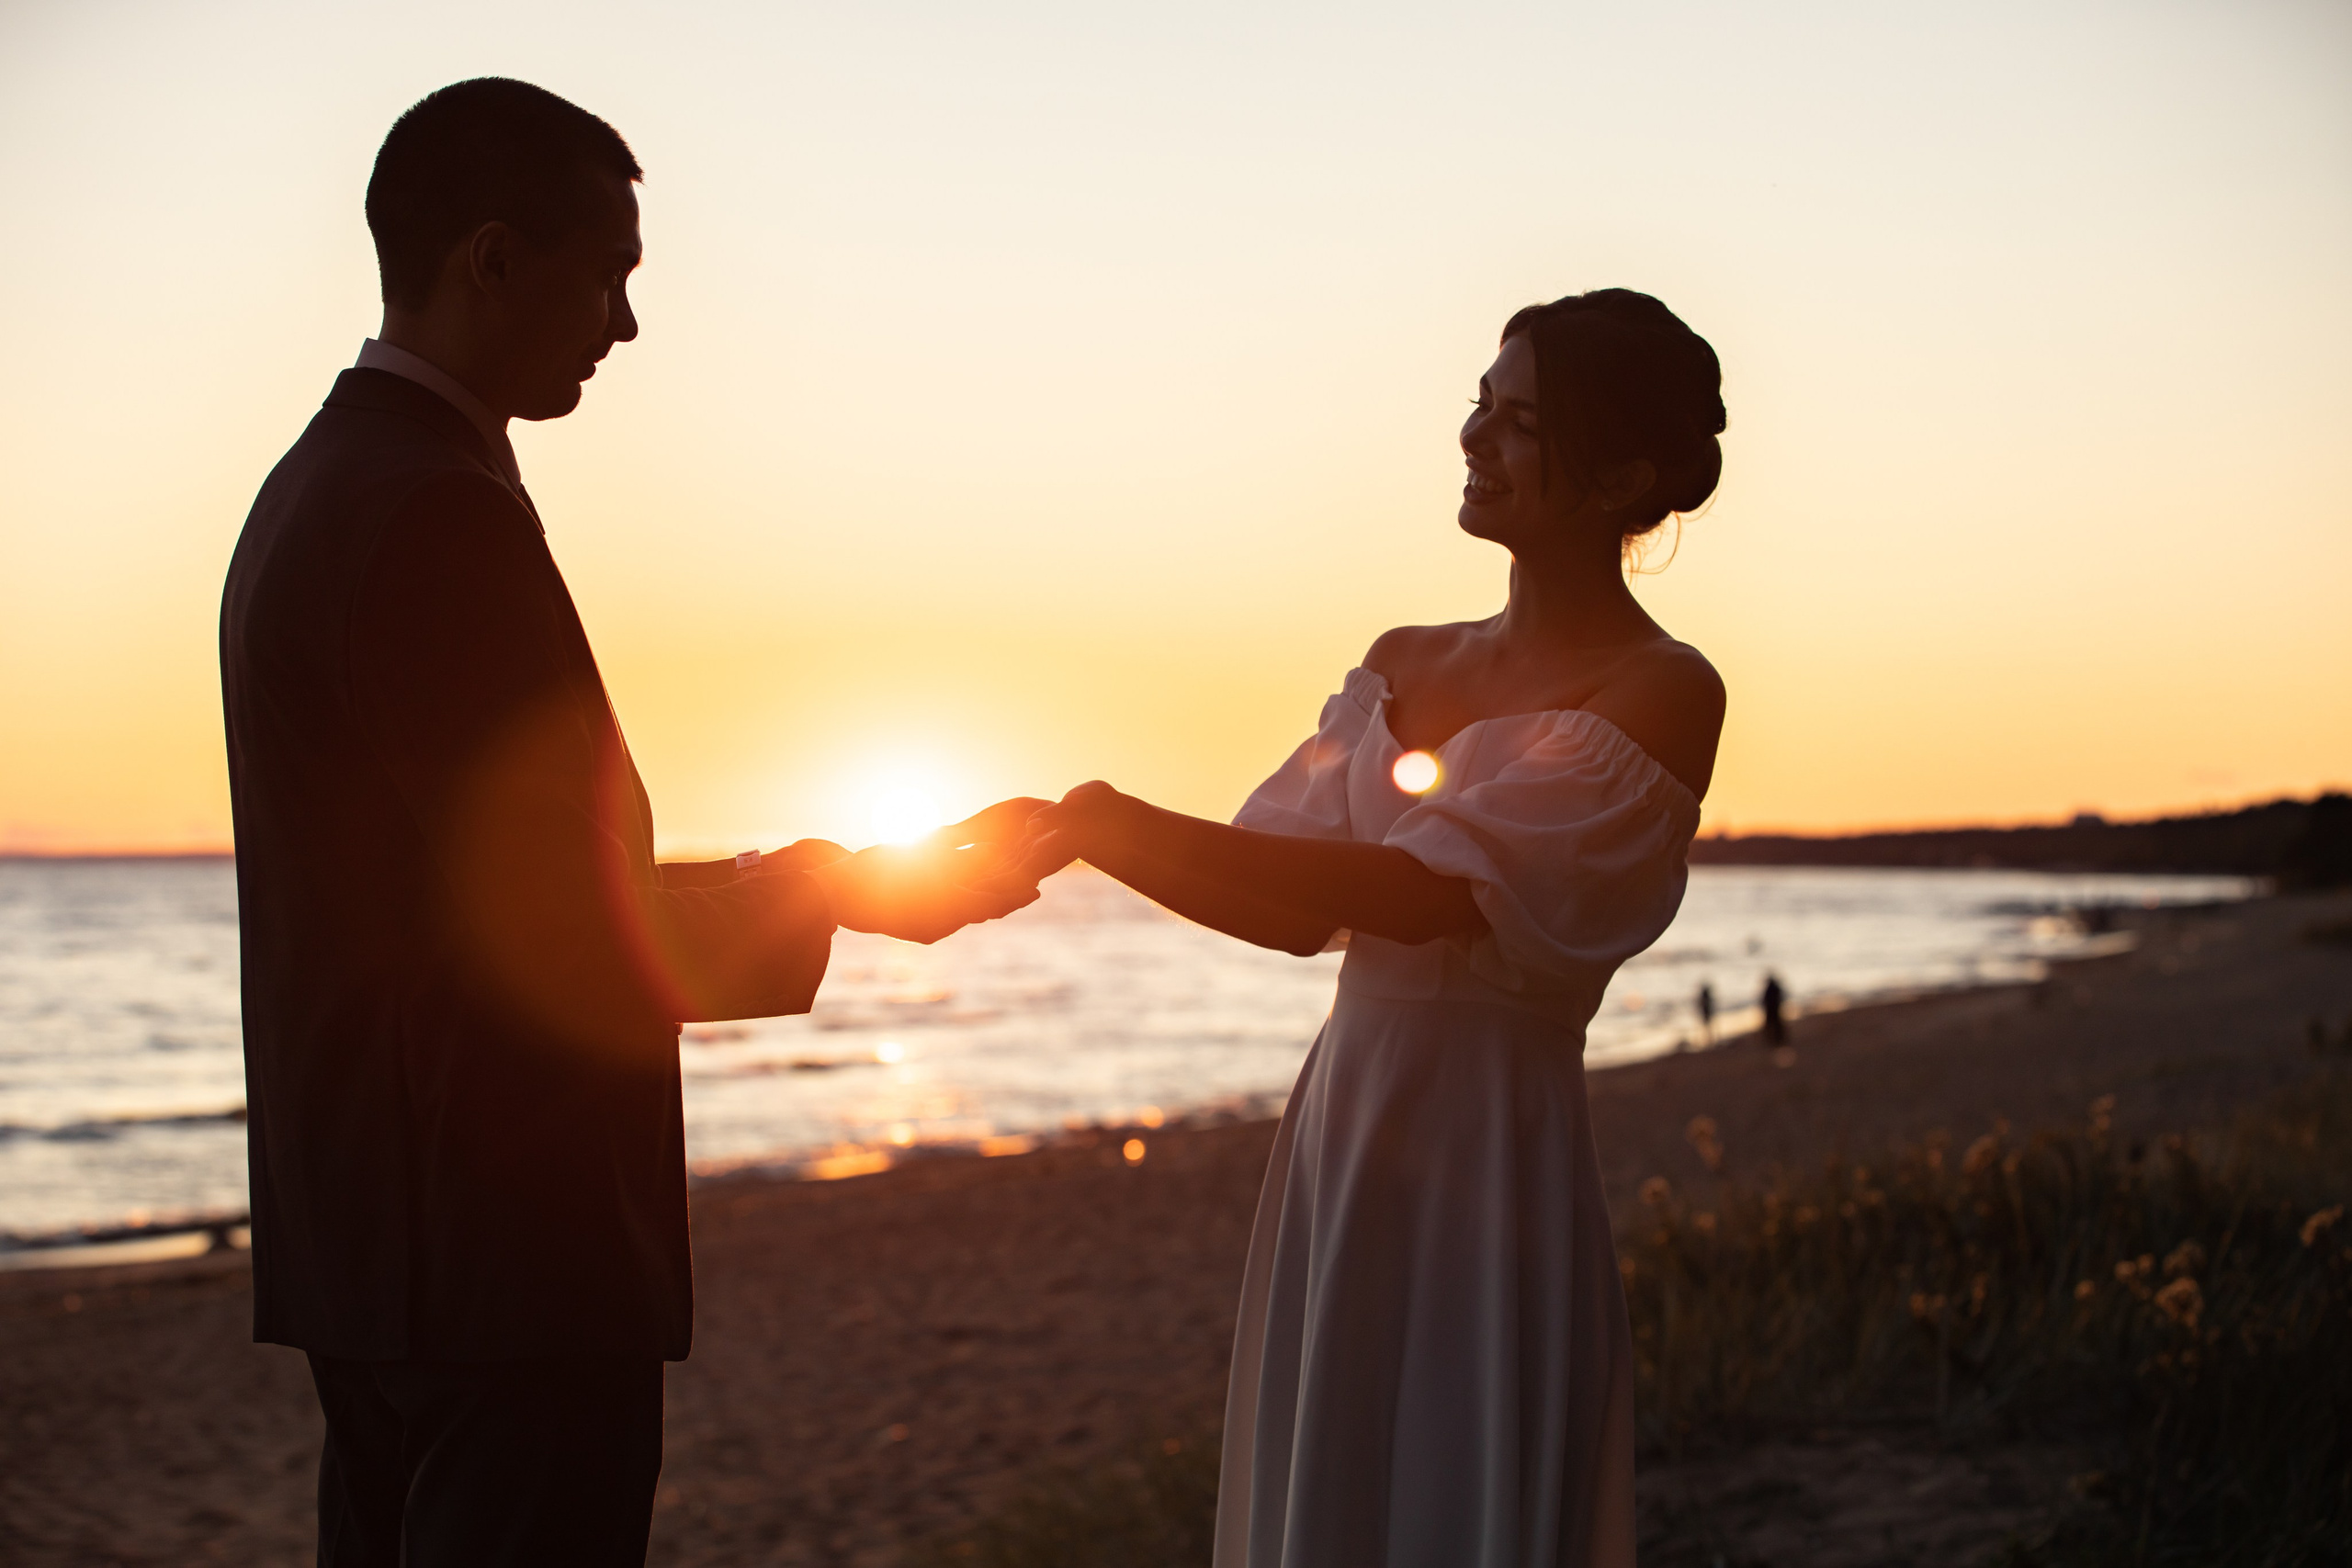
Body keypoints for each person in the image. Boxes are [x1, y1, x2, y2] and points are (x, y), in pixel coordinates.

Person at [219, 79, 1035, 1566]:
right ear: (489, 259)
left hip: (394, 1247)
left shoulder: (327, 483)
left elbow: (489, 875)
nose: (627, 324)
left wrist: (819, 873)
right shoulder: (426, 509)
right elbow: (560, 935)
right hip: (499, 1253)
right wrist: (836, 897)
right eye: (611, 275)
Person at [1010, 289, 1726, 1566]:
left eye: (1520, 423)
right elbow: (1289, 906)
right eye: (1480, 407)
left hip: (1492, 1150)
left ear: (1622, 471)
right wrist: (1091, 835)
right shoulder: (1403, 657)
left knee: (1457, 1494)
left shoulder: (1662, 687)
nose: (1475, 439)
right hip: (1346, 1119)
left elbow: (1424, 893)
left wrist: (1116, 818)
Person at [1761, 971, 1788, 1046]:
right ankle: (1778, 1039)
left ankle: (1774, 1040)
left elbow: (1765, 1000)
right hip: (1775, 1009)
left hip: (1771, 1010)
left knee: (1772, 1025)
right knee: (1777, 1025)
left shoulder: (1769, 989)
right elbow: (1782, 997)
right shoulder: (1776, 987)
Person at [1697, 978, 1716, 1047]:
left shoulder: (1704, 997)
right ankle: (1708, 1040)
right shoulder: (1707, 997)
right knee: (1708, 1027)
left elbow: (1701, 1005)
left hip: (1706, 1013)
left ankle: (1708, 1040)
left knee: (1707, 1027)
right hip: (1707, 1013)